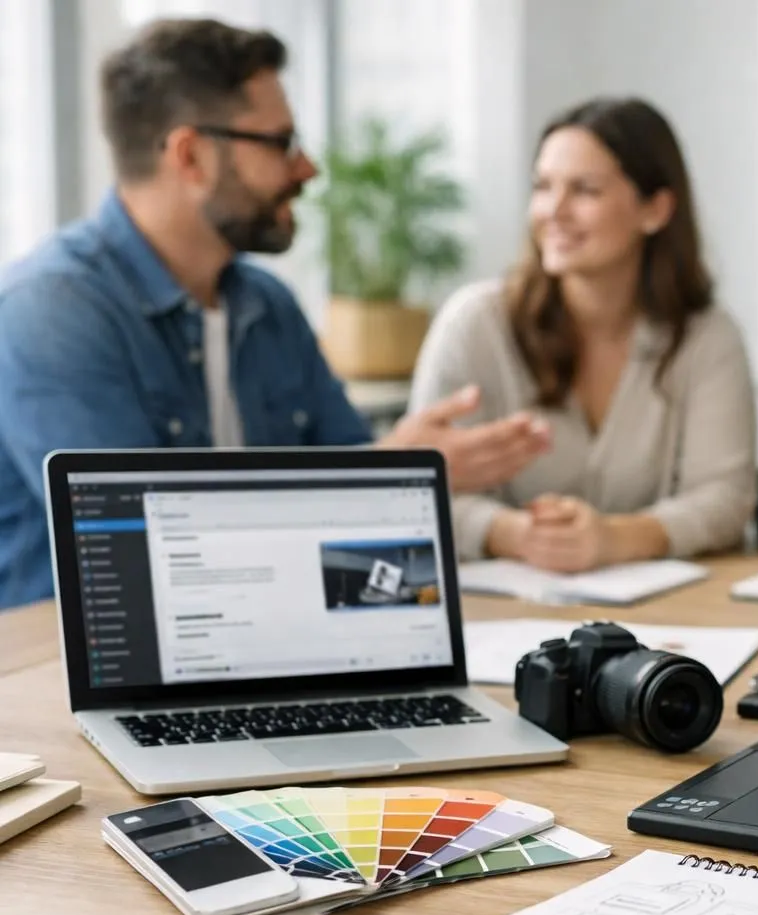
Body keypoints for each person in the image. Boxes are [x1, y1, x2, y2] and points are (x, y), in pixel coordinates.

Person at [0, 18, 547, 611]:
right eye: (280, 142)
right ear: (191, 156)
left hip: (265, 648)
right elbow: (139, 550)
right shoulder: (51, 310)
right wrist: (393, 474)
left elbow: (364, 539)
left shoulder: (267, 306)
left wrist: (412, 557)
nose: (306, 168)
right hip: (67, 679)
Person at [408, 98, 756, 571]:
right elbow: (418, 491)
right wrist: (513, 534)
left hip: (658, 618)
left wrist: (617, 538)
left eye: (585, 190)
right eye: (543, 186)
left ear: (655, 209)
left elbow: (727, 498)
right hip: (502, 616)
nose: (554, 210)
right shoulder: (475, 324)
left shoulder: (706, 337)